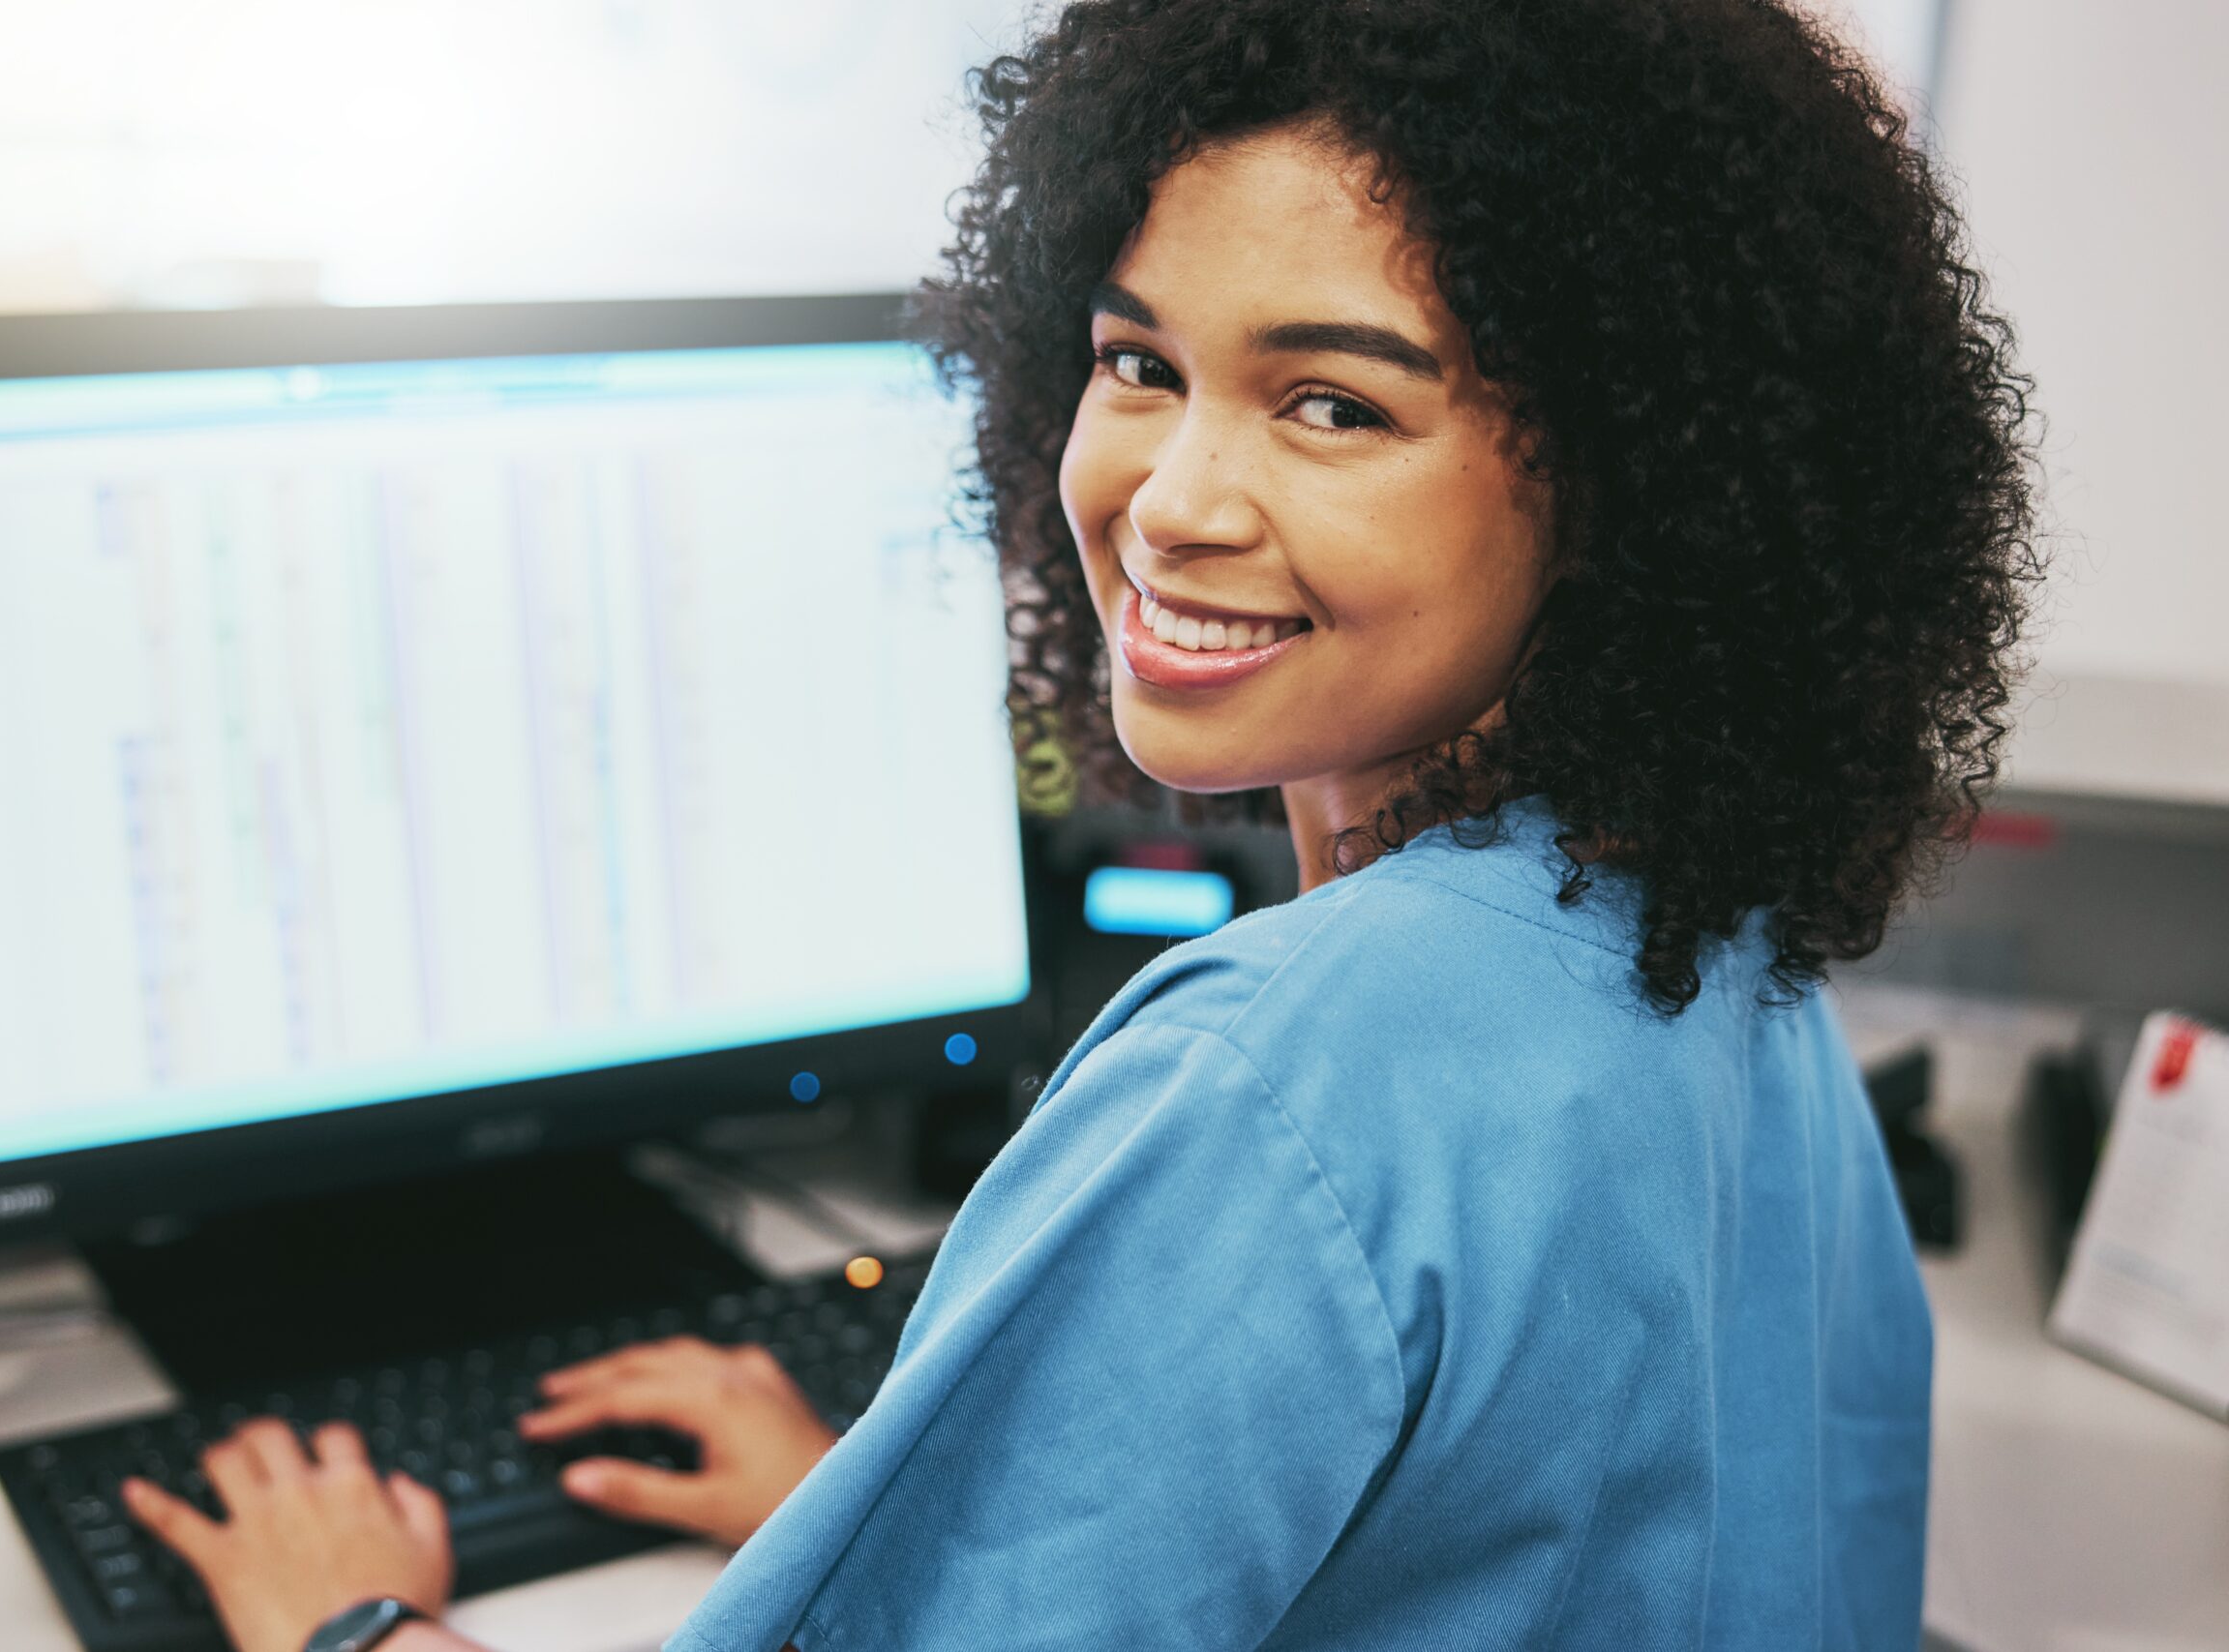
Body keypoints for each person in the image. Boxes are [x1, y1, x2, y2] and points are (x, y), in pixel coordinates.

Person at [121, 1, 2040, 1647]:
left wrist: (347, 1616)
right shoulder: (1717, 948)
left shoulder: (1266, 1086)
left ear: (1635, 479)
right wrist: (898, 1501)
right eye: (1138, 364)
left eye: (1329, 405)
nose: (1168, 500)